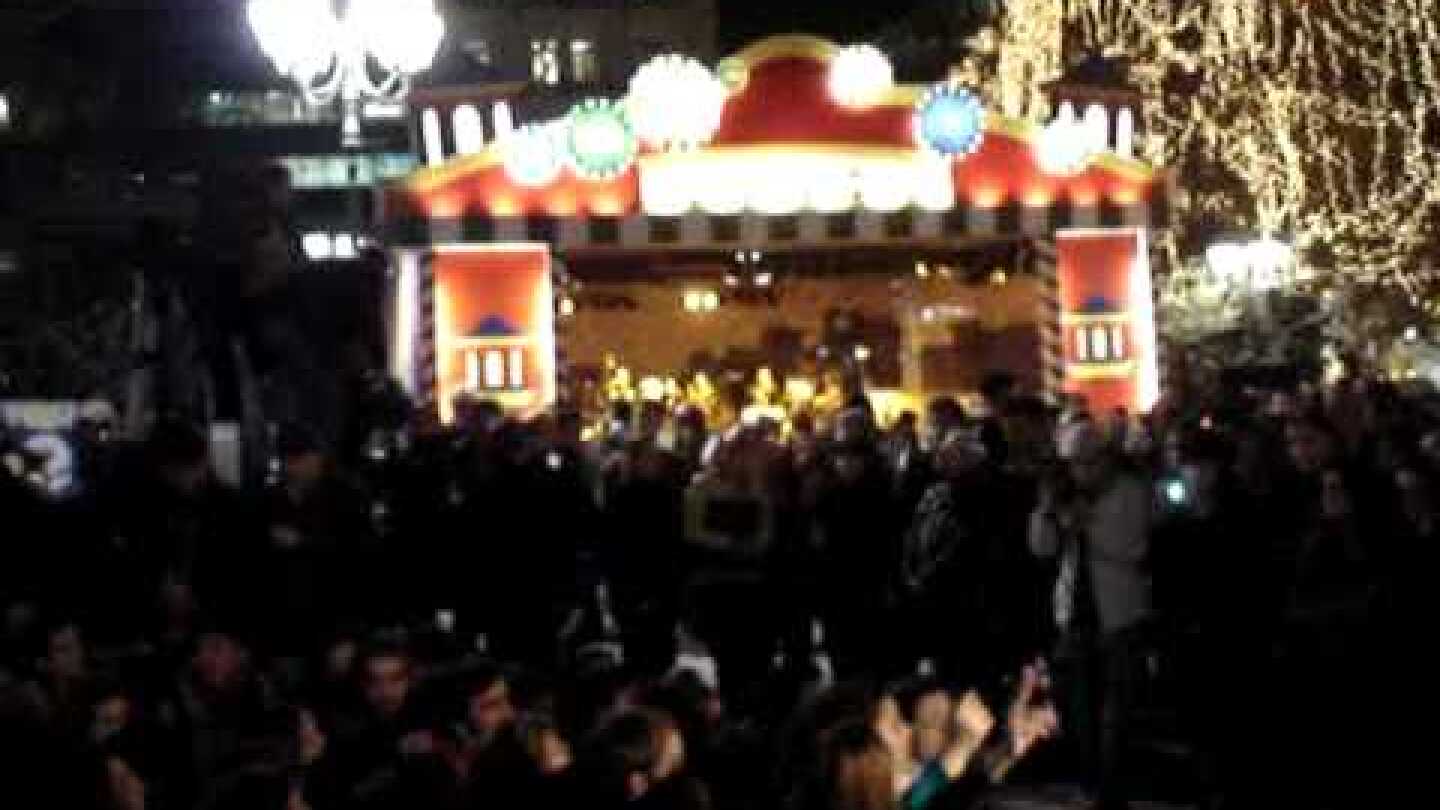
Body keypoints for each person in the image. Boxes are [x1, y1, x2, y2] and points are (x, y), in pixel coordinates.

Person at [1029, 420, 1151, 810]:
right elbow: (1042, 548)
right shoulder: (1066, 494)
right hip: (1074, 616)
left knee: (1117, 710)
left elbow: (1133, 547)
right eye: (1074, 463)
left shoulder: (1130, 490)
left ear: (1106, 460)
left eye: (1089, 462)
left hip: (1119, 615)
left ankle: (1111, 788)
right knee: (1077, 708)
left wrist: (1085, 526)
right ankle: (1089, 781)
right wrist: (1047, 512)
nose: (1081, 471)